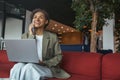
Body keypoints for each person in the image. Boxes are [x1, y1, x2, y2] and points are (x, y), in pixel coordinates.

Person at [10, 8, 70, 80]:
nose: (37, 19)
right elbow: (23, 54)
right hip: (28, 65)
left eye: (41, 17)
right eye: (35, 17)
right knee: (18, 66)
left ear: (46, 21)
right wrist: (31, 34)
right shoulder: (25, 36)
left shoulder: (52, 37)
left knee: (30, 67)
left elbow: (59, 56)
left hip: (46, 67)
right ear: (32, 21)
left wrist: (44, 62)